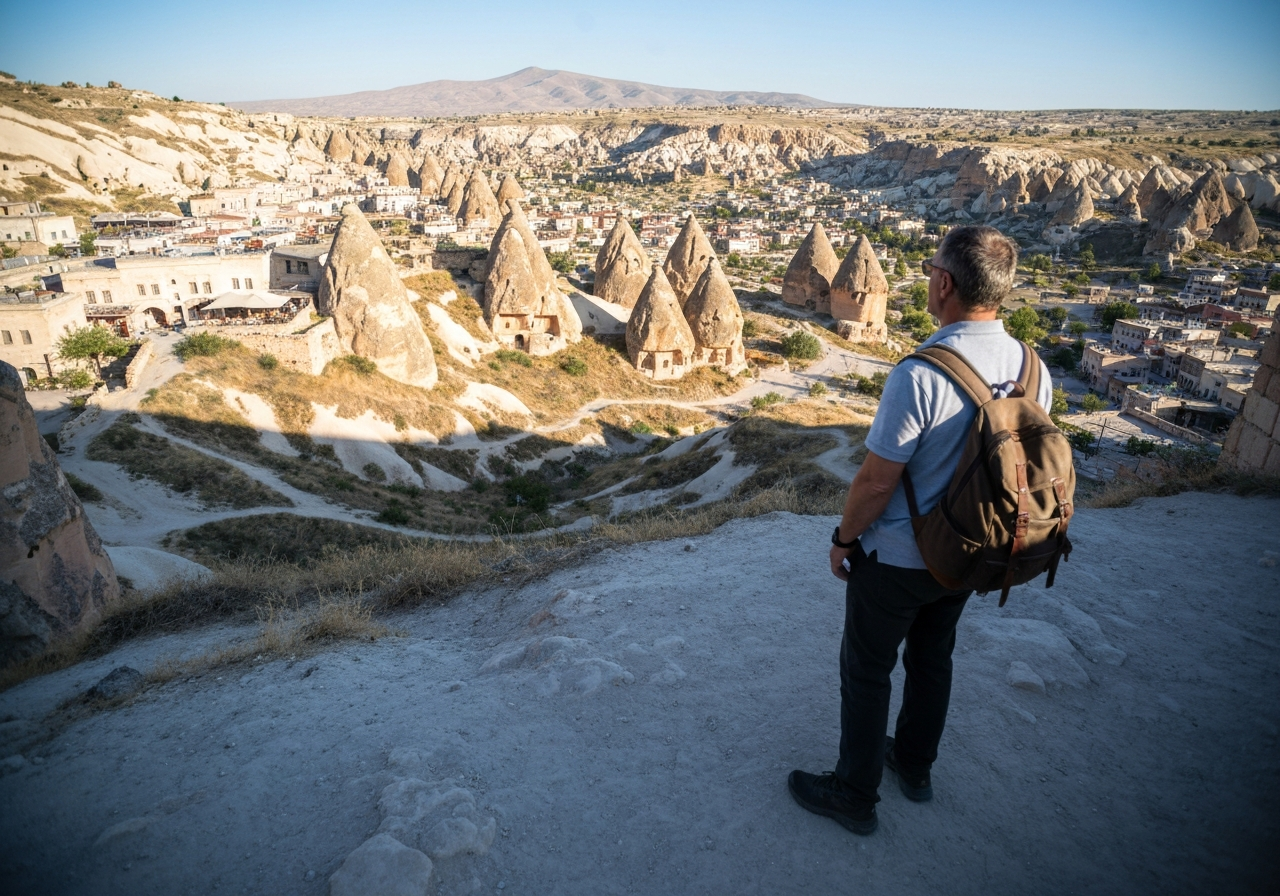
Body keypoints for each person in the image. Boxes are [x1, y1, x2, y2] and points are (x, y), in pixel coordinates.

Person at [787, 225, 1053, 835]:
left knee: (867, 670)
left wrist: (844, 539)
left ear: (945, 283)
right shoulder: (1033, 367)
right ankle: (914, 766)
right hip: (973, 553)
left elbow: (877, 482)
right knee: (934, 658)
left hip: (901, 558)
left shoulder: (922, 372)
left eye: (933, 269)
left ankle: (854, 794)